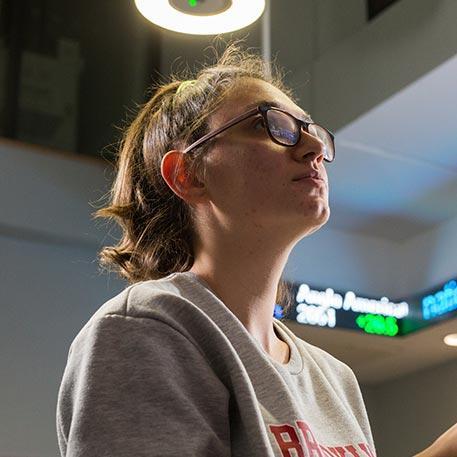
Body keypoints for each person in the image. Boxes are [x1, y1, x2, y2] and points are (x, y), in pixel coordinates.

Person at [56, 42, 455, 457]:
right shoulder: (143, 330)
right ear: (188, 174)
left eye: (311, 131)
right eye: (272, 126)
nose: (315, 149)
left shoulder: (335, 379)